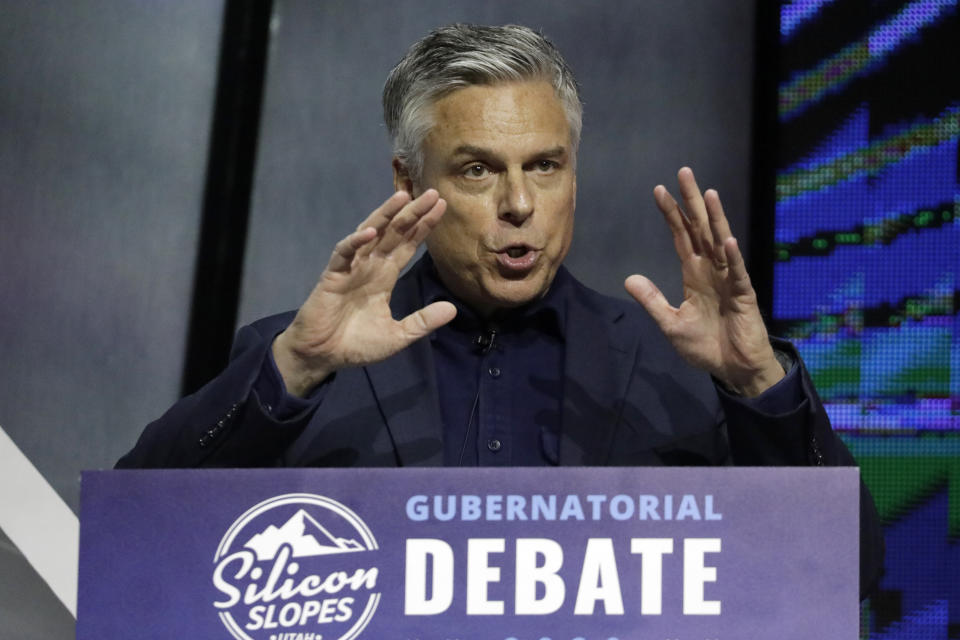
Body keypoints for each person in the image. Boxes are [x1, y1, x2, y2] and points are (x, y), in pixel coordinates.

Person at [117, 24, 882, 596]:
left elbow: (849, 572)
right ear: (408, 178)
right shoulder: (306, 363)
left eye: (544, 166)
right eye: (479, 169)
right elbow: (130, 541)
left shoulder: (679, 372)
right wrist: (295, 367)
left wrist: (758, 385)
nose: (520, 204)